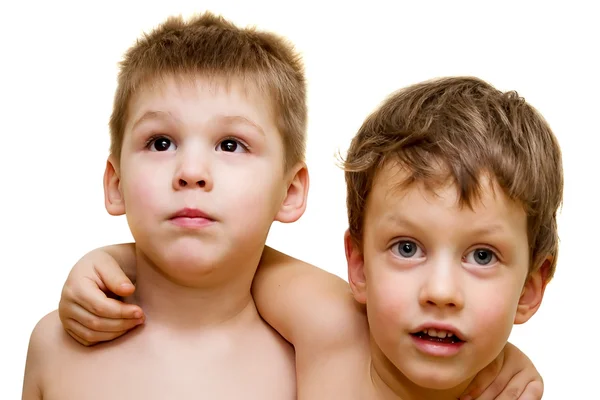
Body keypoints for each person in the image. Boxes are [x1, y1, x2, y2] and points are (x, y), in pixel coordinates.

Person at [53, 76, 560, 399]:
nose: (441, 292)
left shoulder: (506, 390)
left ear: (531, 289)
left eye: (482, 256)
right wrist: (113, 264)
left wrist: (502, 360)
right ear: (358, 266)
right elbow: (227, 254)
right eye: (407, 248)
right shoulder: (331, 327)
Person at [21, 11, 310, 400]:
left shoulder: (310, 360)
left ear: (289, 192)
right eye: (161, 142)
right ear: (116, 184)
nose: (191, 172)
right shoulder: (54, 347)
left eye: (230, 145)